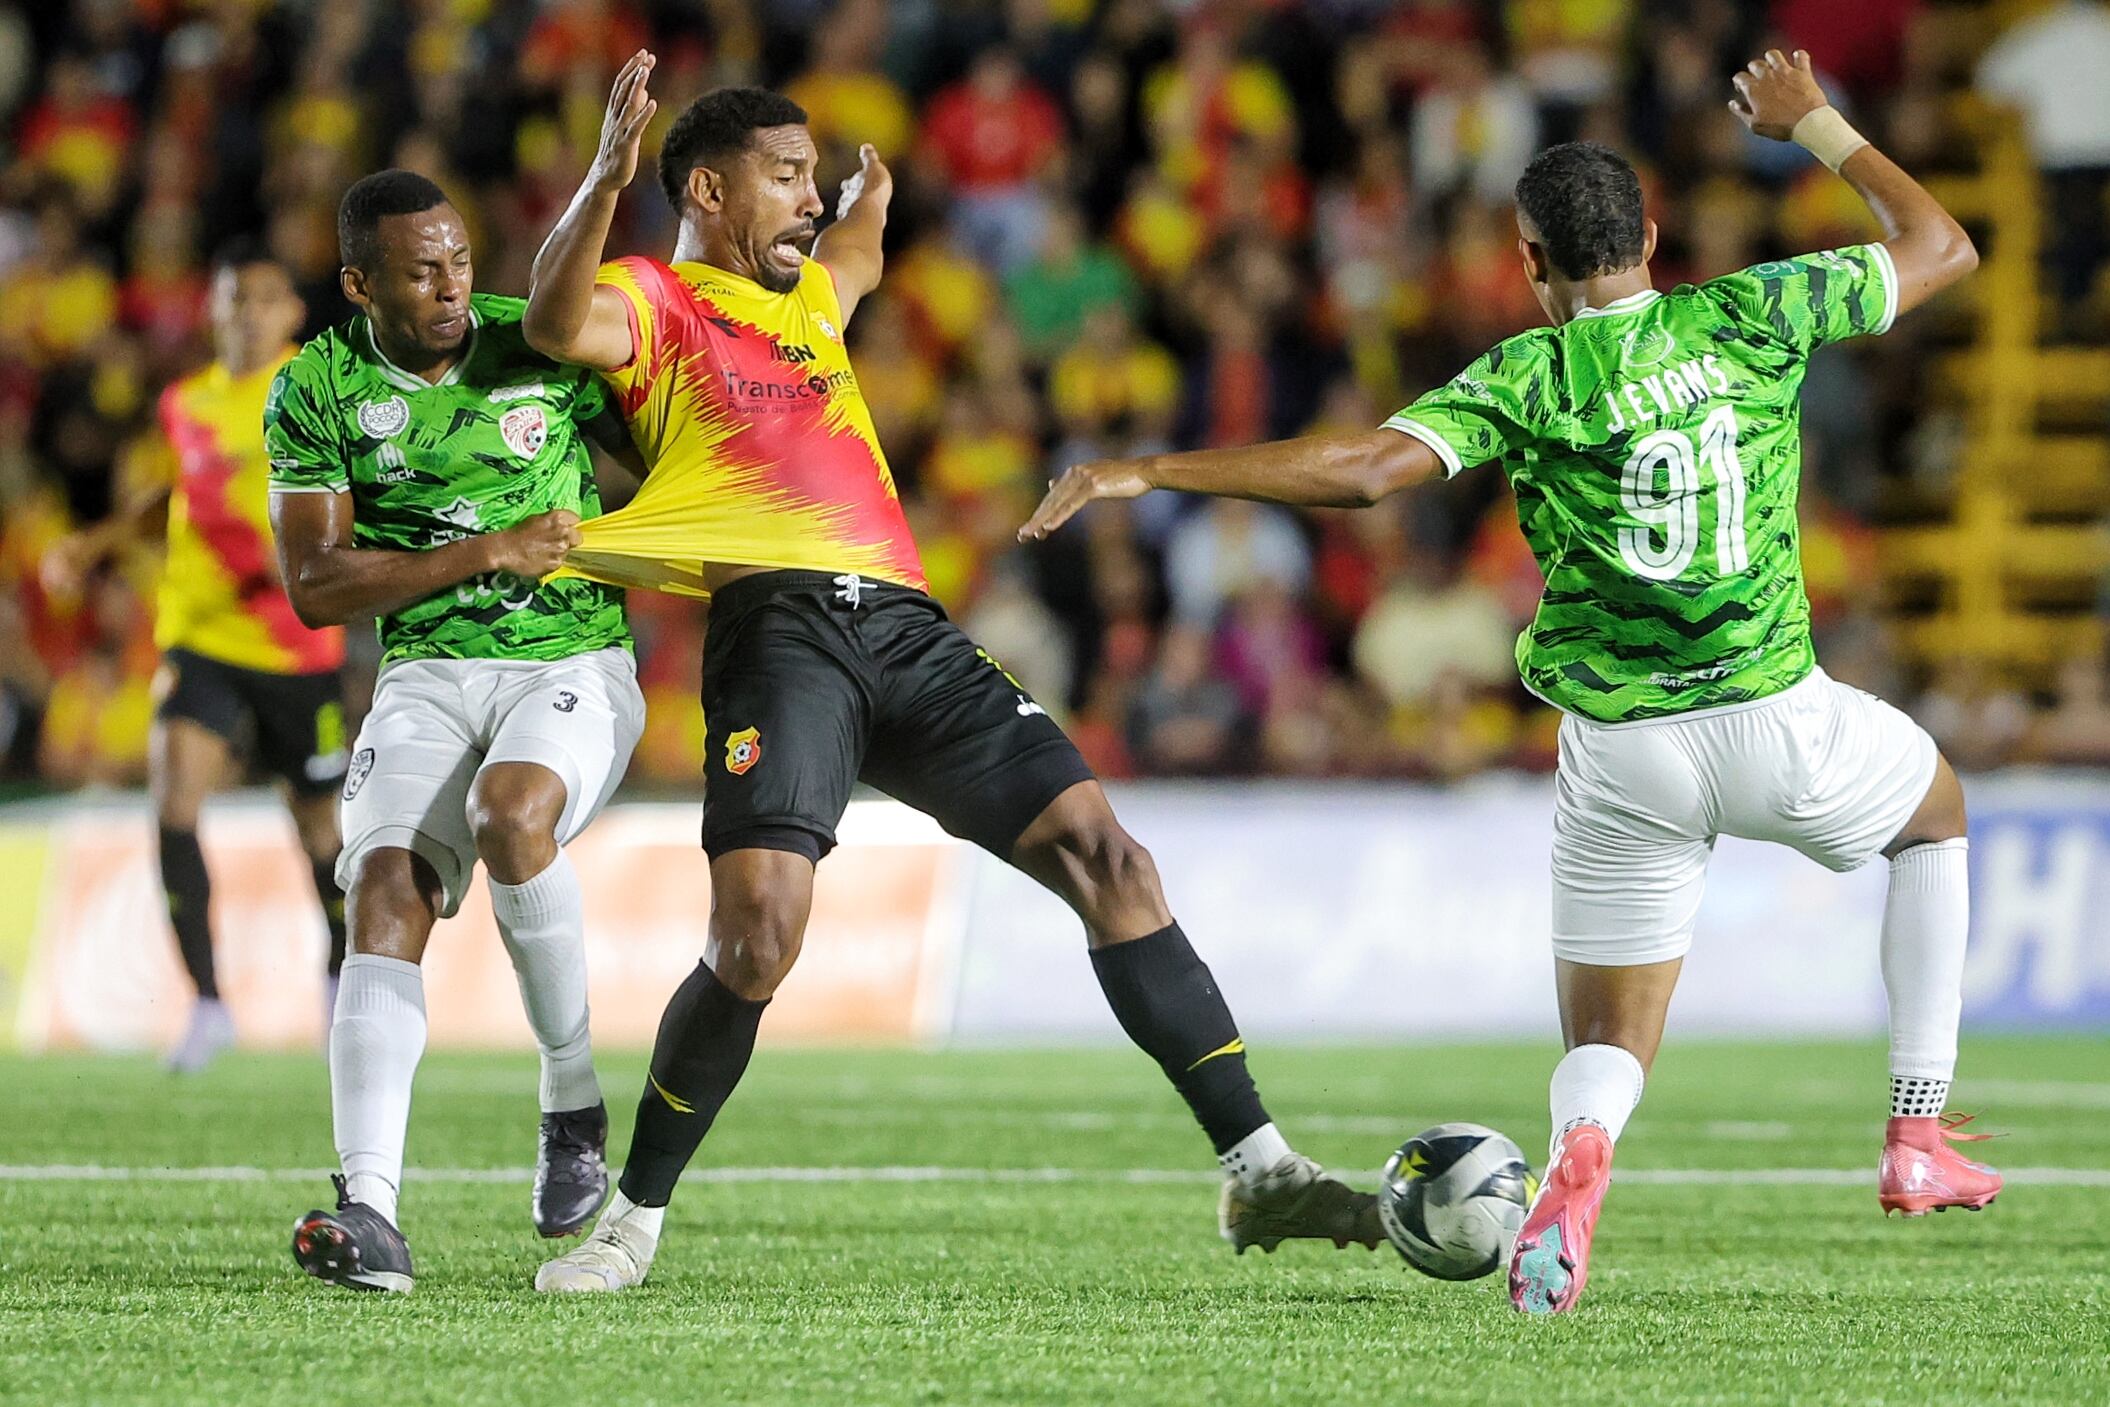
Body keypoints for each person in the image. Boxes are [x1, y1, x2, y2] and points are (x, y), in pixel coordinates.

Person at [1021, 50, 2001, 1315]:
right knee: (1936, 820)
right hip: (1777, 715)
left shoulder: (1526, 376)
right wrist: (1810, 121)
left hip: (1624, 755)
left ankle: (1579, 1158)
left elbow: (1368, 470)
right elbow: (1943, 244)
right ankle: (1916, 1132)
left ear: (1529, 263)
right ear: (1651, 234)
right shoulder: (1759, 311)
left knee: (1605, 1039)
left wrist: (1151, 471)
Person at [517, 56, 1374, 1293]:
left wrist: (868, 193)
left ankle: (1260, 1168)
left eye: (812, 179)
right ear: (705, 190)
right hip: (782, 634)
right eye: (784, 176)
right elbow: (551, 324)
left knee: (1111, 859)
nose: (808, 202)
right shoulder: (653, 301)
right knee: (757, 938)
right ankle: (630, 1222)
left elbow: (861, 247)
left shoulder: (812, 297)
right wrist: (605, 171)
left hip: (909, 630)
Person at [267, 170, 648, 1293]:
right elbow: (318, 585)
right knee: (381, 891)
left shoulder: (537, 346)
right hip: (428, 668)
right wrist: (482, 549)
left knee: (511, 813)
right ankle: (371, 1214)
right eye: (422, 271)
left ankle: (571, 1101)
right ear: (359, 283)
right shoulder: (316, 389)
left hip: (571, 656)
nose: (450, 289)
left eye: (462, 263)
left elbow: (659, 466)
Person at [43, 240, 349, 1074]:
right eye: (231, 299)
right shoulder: (187, 403)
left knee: (320, 827)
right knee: (174, 802)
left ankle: (338, 982)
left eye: (261, 299)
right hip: (201, 634)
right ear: (211, 311)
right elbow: (174, 490)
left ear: (290, 311)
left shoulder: (316, 386)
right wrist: (97, 541)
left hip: (296, 643)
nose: (245, 313)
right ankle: (209, 1003)